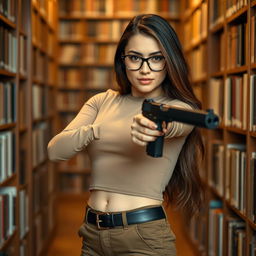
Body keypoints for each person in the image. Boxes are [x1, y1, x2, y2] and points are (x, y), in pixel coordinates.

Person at [47, 14, 204, 256]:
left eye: (156, 59)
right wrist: (98, 129)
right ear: (123, 60)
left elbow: (175, 123)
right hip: (91, 234)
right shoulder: (101, 102)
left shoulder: (181, 109)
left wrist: (156, 127)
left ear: (170, 60)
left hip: (144, 238)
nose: (145, 69)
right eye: (135, 58)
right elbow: (56, 151)